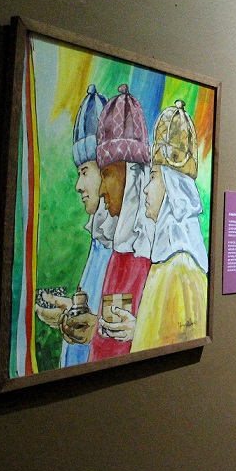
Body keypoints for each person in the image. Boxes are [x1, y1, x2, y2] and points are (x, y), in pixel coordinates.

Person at [35, 84, 113, 366]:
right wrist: (69, 313)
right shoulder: (101, 237)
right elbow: (96, 315)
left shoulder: (128, 241)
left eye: (84, 171)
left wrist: (89, 325)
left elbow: (133, 328)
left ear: (107, 171)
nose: (79, 185)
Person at [131, 100, 208, 351]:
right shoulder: (167, 263)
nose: (146, 189)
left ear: (174, 188)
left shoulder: (180, 269)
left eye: (153, 177)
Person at [88, 84, 154, 361]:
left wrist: (141, 331)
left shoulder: (158, 257)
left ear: (132, 176)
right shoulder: (117, 254)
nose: (101, 189)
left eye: (107, 174)